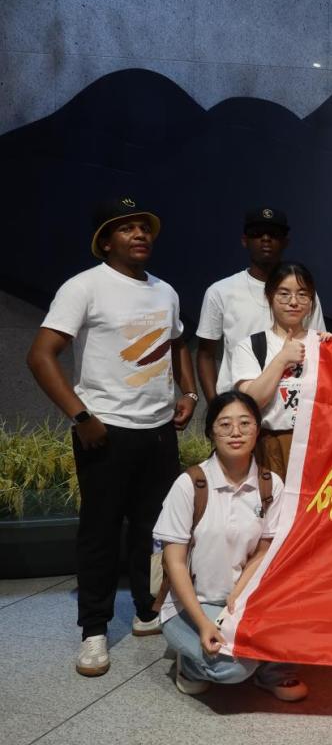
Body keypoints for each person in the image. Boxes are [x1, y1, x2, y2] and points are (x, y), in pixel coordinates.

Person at [26, 197, 198, 677]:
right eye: (126, 228)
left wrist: (188, 392)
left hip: (158, 431)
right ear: (105, 241)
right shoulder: (84, 287)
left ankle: (146, 610)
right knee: (100, 532)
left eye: (145, 227)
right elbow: (40, 355)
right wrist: (81, 416)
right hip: (105, 431)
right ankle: (95, 630)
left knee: (153, 529)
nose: (139, 234)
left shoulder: (165, 291)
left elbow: (177, 342)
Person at [155, 390, 308, 701]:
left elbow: (265, 550)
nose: (236, 432)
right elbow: (174, 562)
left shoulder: (271, 484)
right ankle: (189, 664)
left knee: (304, 613)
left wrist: (239, 593)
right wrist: (202, 623)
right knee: (233, 669)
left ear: (257, 430)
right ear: (211, 432)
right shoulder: (190, 484)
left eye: (245, 423)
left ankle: (270, 671)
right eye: (225, 424)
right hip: (192, 605)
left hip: (243, 602)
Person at [196, 207, 326, 403]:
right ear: (244, 240)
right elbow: (206, 355)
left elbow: (319, 348)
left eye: (274, 234)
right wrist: (216, 407)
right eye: (257, 233)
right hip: (239, 405)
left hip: (292, 403)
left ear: (285, 242)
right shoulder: (220, 291)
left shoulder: (305, 295)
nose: (266, 239)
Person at [230, 261, 321, 480]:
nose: (293, 302)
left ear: (311, 301)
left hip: (316, 447)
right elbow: (252, 401)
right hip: (270, 447)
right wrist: (282, 359)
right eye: (284, 294)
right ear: (269, 296)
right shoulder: (252, 346)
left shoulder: (323, 344)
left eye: (302, 294)